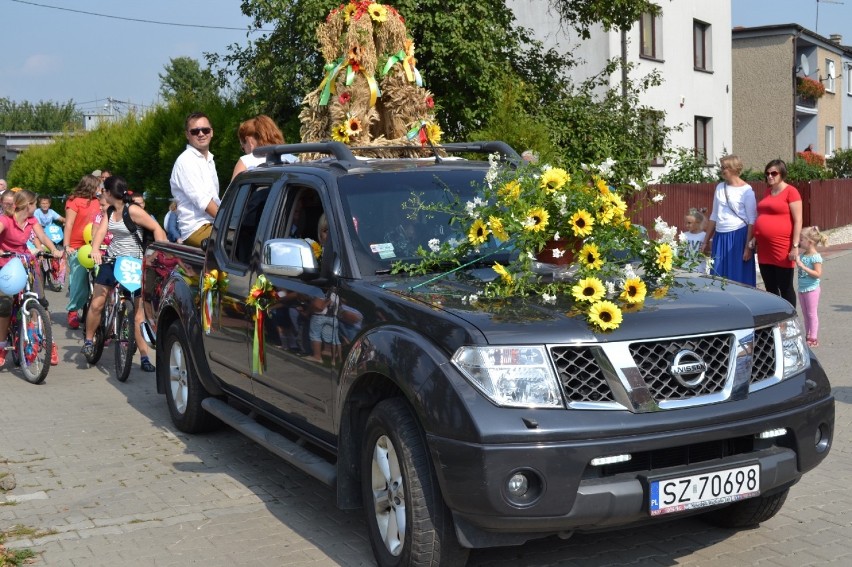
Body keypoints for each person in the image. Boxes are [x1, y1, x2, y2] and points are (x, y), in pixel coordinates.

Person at [82, 176, 166, 373]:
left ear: (111, 193)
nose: (102, 194)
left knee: (138, 313)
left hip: (134, 264)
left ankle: (144, 356)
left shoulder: (134, 211)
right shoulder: (110, 212)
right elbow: (101, 233)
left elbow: (157, 229)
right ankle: (88, 339)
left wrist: (159, 254)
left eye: (104, 191)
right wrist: (95, 249)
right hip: (112, 260)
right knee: (97, 303)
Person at [0, 191, 63, 366]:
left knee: (40, 302)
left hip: (26, 261)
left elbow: (42, 237)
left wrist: (54, 250)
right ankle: (2, 345)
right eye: (34, 204)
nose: (35, 208)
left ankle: (48, 342)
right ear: (27, 205)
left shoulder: (32, 221)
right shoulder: (5, 220)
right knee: (5, 305)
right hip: (6, 264)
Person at [701, 155, 756, 286]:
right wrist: (705, 241)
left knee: (738, 275)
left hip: (738, 236)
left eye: (724, 167)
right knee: (719, 275)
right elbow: (714, 215)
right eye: (721, 167)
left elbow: (752, 220)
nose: (721, 170)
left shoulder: (747, 191)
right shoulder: (720, 187)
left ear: (733, 169)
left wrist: (747, 247)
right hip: (720, 236)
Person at [754, 159, 802, 307]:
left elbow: (798, 220)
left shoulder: (791, 191)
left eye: (773, 173)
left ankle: (789, 322)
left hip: (782, 247)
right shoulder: (768, 191)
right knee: (770, 288)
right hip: (765, 249)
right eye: (767, 173)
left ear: (782, 174)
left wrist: (795, 246)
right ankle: (775, 321)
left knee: (785, 287)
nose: (770, 176)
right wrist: (755, 237)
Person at [170, 112, 220, 247]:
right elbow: (203, 202)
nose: (201, 134)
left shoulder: (209, 159)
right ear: (187, 135)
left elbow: (214, 199)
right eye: (195, 131)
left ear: (212, 132)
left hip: (212, 224)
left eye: (205, 130)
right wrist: (227, 221)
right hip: (196, 228)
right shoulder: (186, 161)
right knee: (240, 243)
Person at [63, 174, 103, 330]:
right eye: (98, 186)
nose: (100, 189)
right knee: (78, 279)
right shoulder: (73, 202)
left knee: (101, 277)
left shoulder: (98, 201)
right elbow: (69, 224)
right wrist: (66, 246)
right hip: (77, 245)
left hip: (94, 244)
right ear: (91, 186)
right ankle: (73, 310)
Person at [231, 115, 291, 180]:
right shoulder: (293, 159)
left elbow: (233, 189)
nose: (245, 152)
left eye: (243, 148)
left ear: (249, 141)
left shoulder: (246, 162)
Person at [796, 226, 827, 348]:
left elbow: (818, 274)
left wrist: (803, 266)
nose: (799, 242)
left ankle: (813, 338)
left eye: (802, 239)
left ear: (810, 242)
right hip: (802, 288)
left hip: (812, 289)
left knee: (812, 313)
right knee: (805, 313)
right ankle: (808, 335)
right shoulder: (803, 255)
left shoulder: (815, 257)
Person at [682, 208, 707, 274]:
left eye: (689, 223)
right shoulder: (684, 235)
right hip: (684, 268)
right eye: (686, 223)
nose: (687, 225)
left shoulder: (704, 236)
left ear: (698, 223)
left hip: (699, 270)